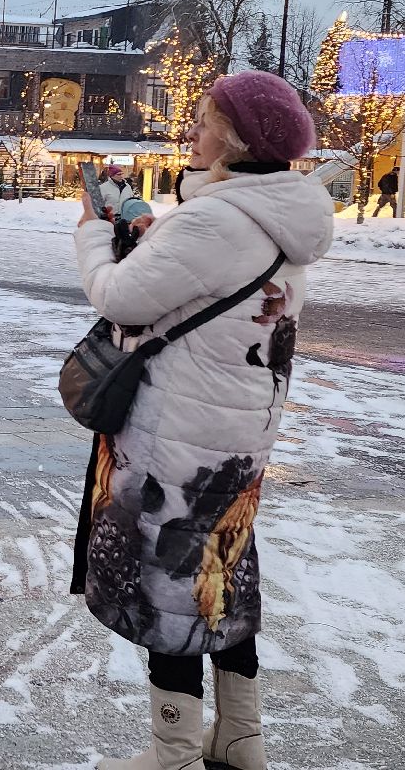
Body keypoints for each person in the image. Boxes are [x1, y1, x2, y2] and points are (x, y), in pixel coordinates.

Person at [72, 70, 332, 770]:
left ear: (236, 140)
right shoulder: (277, 217)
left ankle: (176, 751)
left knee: (171, 586)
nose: (191, 132)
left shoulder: (215, 220)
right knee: (222, 574)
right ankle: (241, 738)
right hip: (236, 437)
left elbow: (120, 299)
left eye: (205, 121)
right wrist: (156, 239)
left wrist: (93, 235)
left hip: (178, 437)